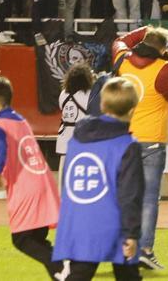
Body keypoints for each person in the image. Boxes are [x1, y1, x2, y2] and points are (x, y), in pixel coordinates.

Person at [52, 77, 144, 281]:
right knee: (128, 274)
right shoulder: (128, 145)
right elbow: (130, 194)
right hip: (112, 222)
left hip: (77, 221)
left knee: (79, 274)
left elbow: (68, 181)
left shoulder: (76, 138)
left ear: (102, 105)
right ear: (132, 110)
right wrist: (132, 233)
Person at [111, 27, 168, 270]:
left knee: (122, 197)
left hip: (122, 139)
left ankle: (123, 249)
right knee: (148, 199)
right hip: (151, 140)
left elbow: (121, 40)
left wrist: (145, 29)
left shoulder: (123, 60)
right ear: (164, 49)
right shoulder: (164, 69)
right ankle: (144, 249)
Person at [0, 76, 61, 278]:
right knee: (38, 239)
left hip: (27, 188)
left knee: (22, 239)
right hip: (43, 182)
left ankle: (64, 269)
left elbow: (1, 147)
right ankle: (62, 272)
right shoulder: (20, 120)